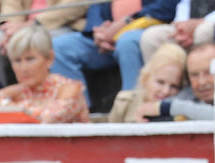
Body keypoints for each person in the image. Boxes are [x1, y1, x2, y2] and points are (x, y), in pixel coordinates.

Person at [49, 0, 180, 108]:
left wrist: (125, 23)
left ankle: (130, 111)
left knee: (126, 42)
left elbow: (166, 6)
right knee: (59, 47)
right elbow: (95, 6)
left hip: (142, 31)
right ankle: (77, 114)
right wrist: (98, 31)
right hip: (105, 38)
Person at [0, 22, 86, 122]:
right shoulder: (18, 91)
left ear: (49, 59)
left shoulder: (69, 89)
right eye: (17, 60)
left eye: (30, 59)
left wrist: (4, 105)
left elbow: (46, 118)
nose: (24, 68)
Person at [0, 0, 86, 89]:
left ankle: (58, 99)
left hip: (59, 25)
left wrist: (31, 25)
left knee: (42, 44)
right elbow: (10, 6)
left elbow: (73, 6)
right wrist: (10, 30)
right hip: (19, 26)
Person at [136, 38, 215, 120]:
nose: (202, 81)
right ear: (145, 78)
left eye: (209, 72)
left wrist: (166, 107)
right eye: (194, 74)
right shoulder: (124, 104)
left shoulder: (182, 105)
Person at [107, 38, 182, 122]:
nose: (166, 91)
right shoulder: (124, 103)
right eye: (160, 82)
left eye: (174, 86)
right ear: (145, 78)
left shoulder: (182, 112)